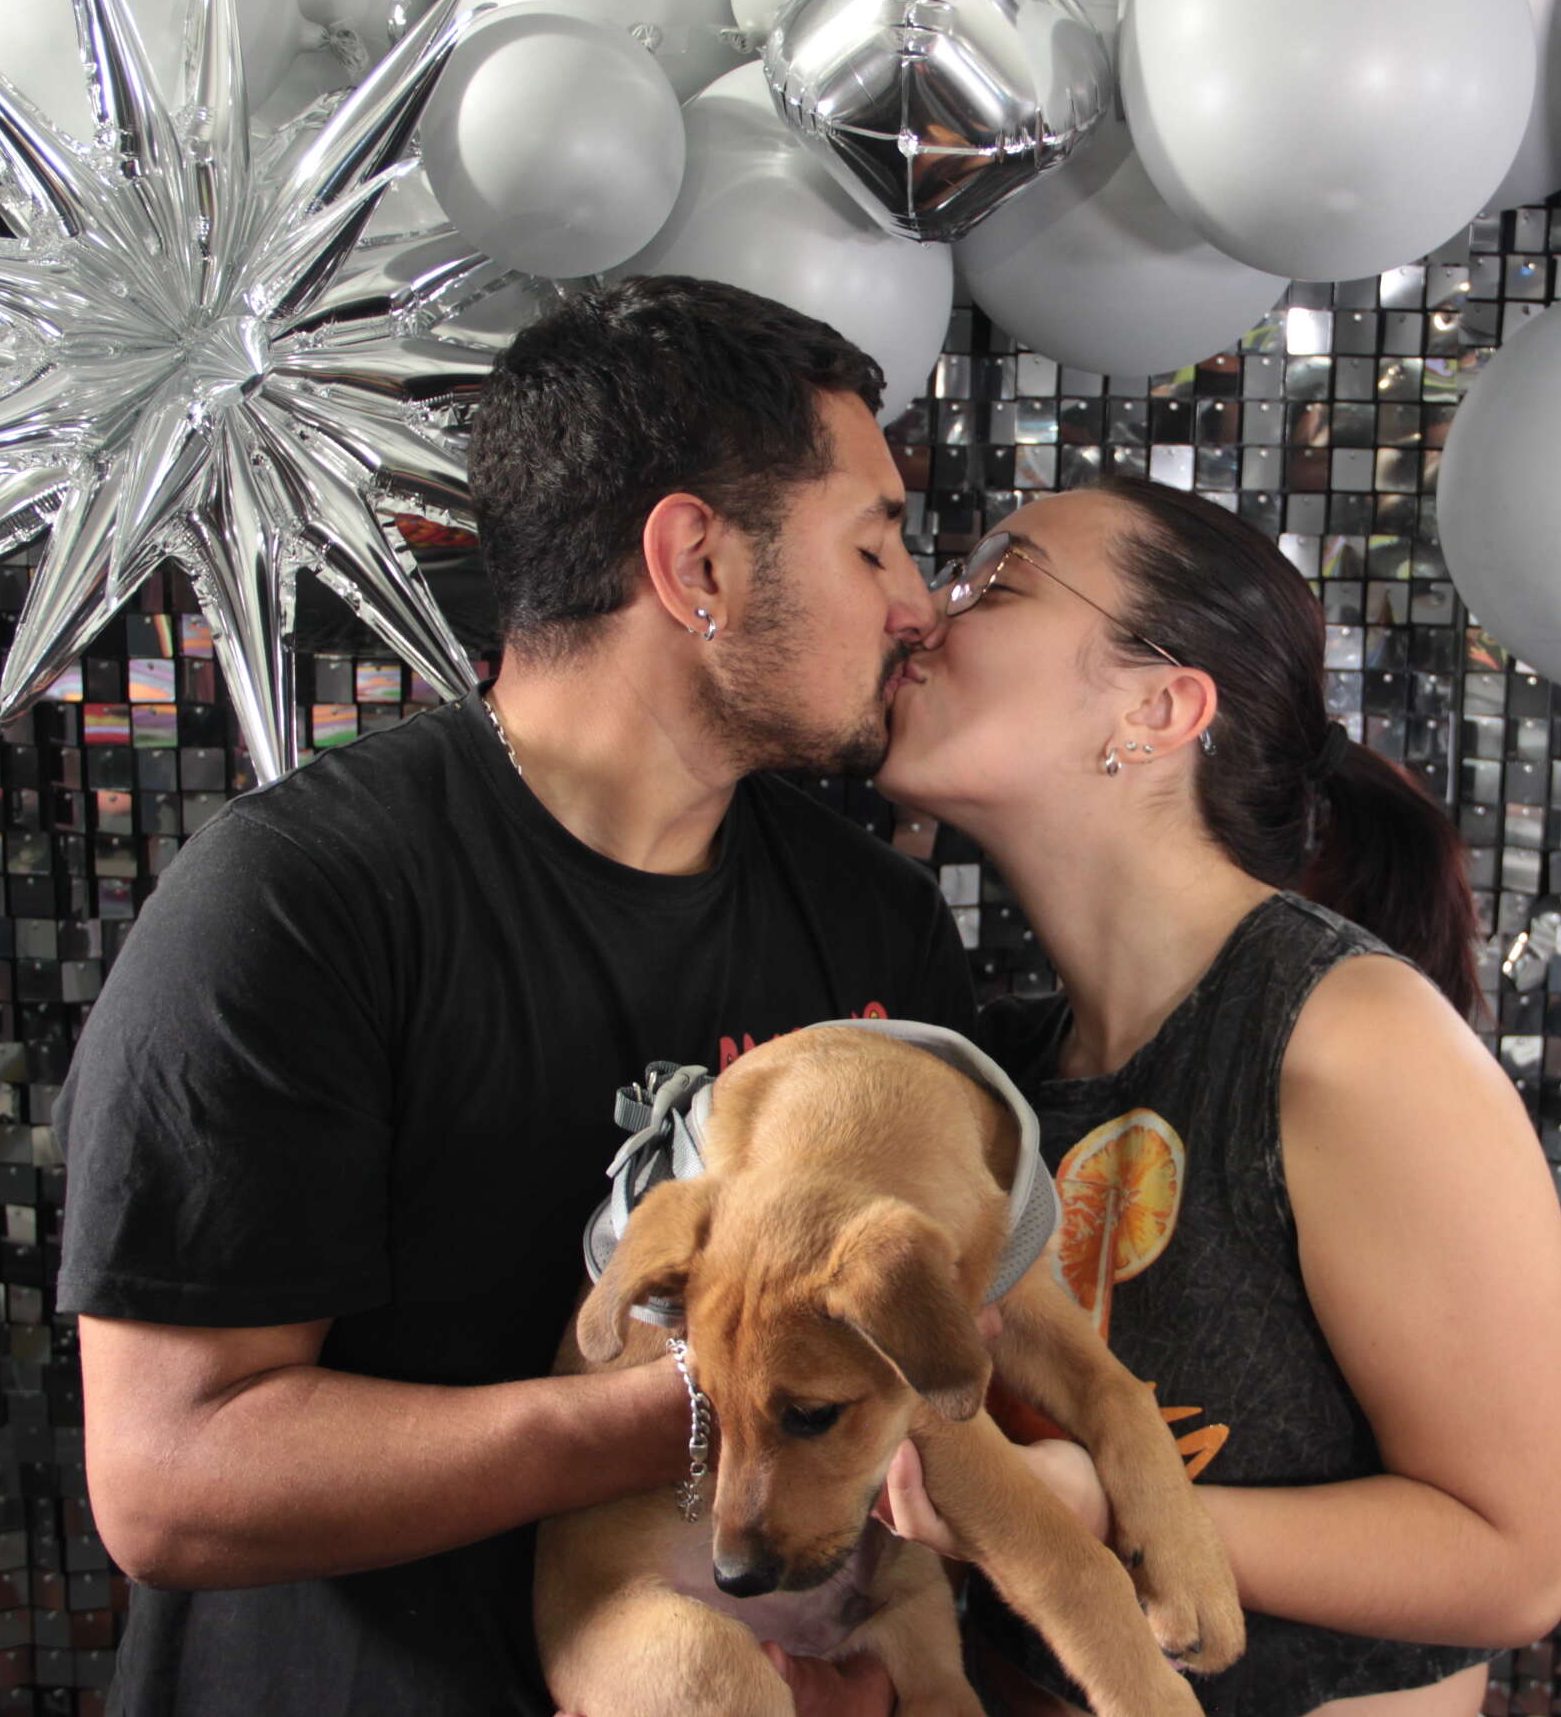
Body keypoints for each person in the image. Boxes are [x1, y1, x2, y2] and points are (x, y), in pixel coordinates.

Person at [53, 276, 973, 1716]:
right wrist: (704, 1406)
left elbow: (936, 1398)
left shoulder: (878, 926)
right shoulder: (301, 905)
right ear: (697, 564)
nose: (916, 605)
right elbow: (172, 1481)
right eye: (872, 545)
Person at [870, 478, 1561, 1717]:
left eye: (999, 579)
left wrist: (1120, 1505)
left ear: (1157, 708)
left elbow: (1513, 1565)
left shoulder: (1353, 1040)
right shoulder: (1008, 1070)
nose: (927, 611)